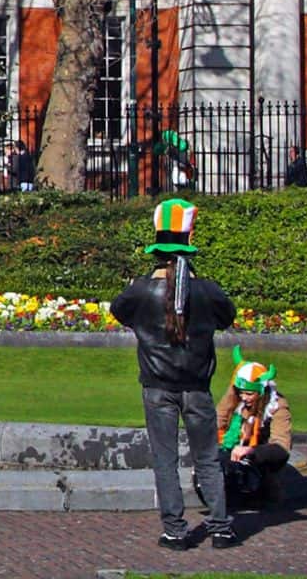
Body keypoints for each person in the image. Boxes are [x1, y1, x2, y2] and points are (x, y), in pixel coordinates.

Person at [108, 198, 238, 551]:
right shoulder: (207, 290)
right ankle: (221, 527)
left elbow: (119, 310)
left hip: (157, 386)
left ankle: (176, 531)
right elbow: (227, 315)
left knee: (165, 460)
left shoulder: (142, 289)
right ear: (189, 238)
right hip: (196, 386)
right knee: (207, 457)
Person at [216, 349, 295, 507]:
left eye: (249, 394)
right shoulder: (234, 397)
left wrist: (251, 451)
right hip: (233, 450)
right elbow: (218, 420)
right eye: (241, 393)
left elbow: (281, 447)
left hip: (260, 458)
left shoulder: (278, 407)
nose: (244, 398)